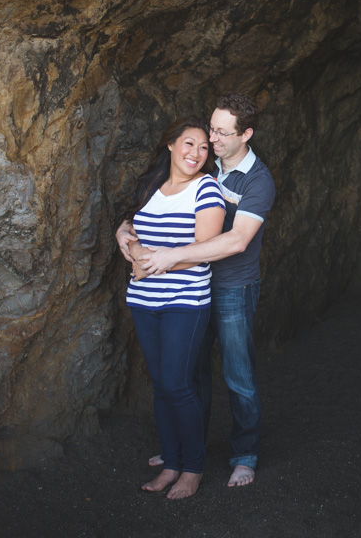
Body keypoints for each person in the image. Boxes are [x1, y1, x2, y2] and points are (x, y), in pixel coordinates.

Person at [118, 93, 275, 488]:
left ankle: (244, 454)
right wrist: (126, 231)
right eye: (211, 129)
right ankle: (190, 449)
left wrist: (168, 258)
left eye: (222, 133)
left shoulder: (258, 180)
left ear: (246, 134)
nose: (213, 139)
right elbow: (150, 208)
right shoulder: (201, 163)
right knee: (192, 374)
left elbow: (236, 240)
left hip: (232, 285)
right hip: (192, 285)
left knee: (237, 374)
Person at [121, 116, 225, 499]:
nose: (196, 153)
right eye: (188, 144)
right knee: (161, 386)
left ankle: (192, 469)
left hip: (185, 300)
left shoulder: (207, 190)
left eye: (203, 147)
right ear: (170, 145)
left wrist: (154, 261)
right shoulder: (152, 186)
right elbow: (130, 225)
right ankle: (171, 463)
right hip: (143, 300)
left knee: (179, 385)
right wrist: (131, 245)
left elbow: (203, 251)